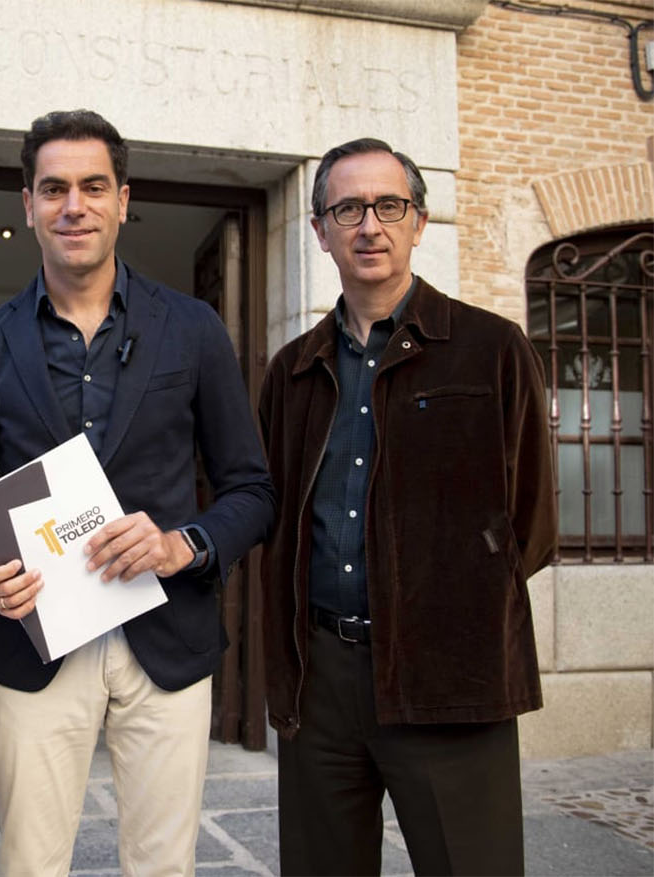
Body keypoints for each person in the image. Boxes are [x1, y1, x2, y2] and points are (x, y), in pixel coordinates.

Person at [0, 109, 275, 876]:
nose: (73, 205)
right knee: (28, 863)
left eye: (93, 186)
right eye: (52, 188)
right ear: (25, 205)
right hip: (37, 648)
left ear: (124, 200)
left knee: (163, 866)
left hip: (168, 638)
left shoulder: (191, 329)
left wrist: (179, 543)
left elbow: (250, 489)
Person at [257, 137, 558, 875]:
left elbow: (532, 521)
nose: (370, 225)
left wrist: (451, 607)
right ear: (320, 229)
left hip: (451, 680)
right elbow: (271, 515)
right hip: (320, 681)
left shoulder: (490, 348)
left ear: (418, 222)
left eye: (388, 205)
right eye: (348, 208)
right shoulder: (291, 371)